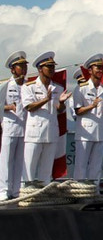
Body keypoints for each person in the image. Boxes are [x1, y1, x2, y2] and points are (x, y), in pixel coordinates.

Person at [21, 51, 71, 185]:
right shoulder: (29, 87)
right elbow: (29, 107)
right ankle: (25, 193)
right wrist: (46, 99)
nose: (52, 70)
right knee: (29, 168)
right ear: (39, 69)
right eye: (48, 67)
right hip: (34, 133)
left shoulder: (58, 88)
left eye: (53, 67)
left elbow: (59, 111)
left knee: (46, 170)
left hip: (51, 132)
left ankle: (44, 193)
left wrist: (61, 103)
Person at [72, 53, 103, 184]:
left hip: (100, 131)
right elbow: (78, 111)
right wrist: (92, 106)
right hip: (85, 132)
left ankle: (94, 189)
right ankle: (78, 190)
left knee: (96, 165)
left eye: (102, 67)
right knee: (81, 164)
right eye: (97, 67)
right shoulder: (81, 89)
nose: (100, 70)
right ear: (90, 70)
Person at [1, 51, 29, 199]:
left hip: (24, 127)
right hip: (9, 126)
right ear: (13, 69)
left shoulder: (28, 85)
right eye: (20, 66)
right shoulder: (5, 85)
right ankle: (3, 190)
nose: (23, 69)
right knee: (6, 160)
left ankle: (17, 190)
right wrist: (8, 107)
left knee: (20, 161)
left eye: (25, 66)